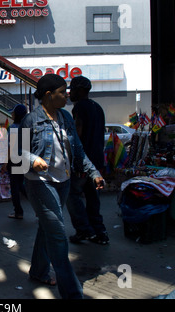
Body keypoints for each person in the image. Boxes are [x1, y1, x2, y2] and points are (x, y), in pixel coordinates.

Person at [18, 74, 105, 299]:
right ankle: (72, 294)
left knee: (46, 229)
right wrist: (32, 159)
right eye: (62, 92)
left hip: (63, 183)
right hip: (40, 184)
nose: (67, 95)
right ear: (48, 95)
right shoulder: (31, 120)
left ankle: (38, 271)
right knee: (57, 234)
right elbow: (16, 152)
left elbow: (78, 149)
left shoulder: (66, 117)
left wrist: (93, 172)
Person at [66, 76, 109, 245]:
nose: (70, 93)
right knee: (93, 197)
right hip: (97, 161)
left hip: (83, 161)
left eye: (73, 89)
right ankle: (100, 232)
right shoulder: (97, 107)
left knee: (72, 194)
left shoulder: (80, 108)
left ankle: (84, 230)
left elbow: (78, 133)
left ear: (81, 90)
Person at [5, 104, 28, 219]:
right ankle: (39, 208)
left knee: (15, 186)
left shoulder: (13, 128)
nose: (11, 115)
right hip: (25, 159)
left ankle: (18, 211)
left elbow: (10, 147)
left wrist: (5, 163)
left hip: (14, 160)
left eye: (13, 113)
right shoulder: (27, 127)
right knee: (21, 184)